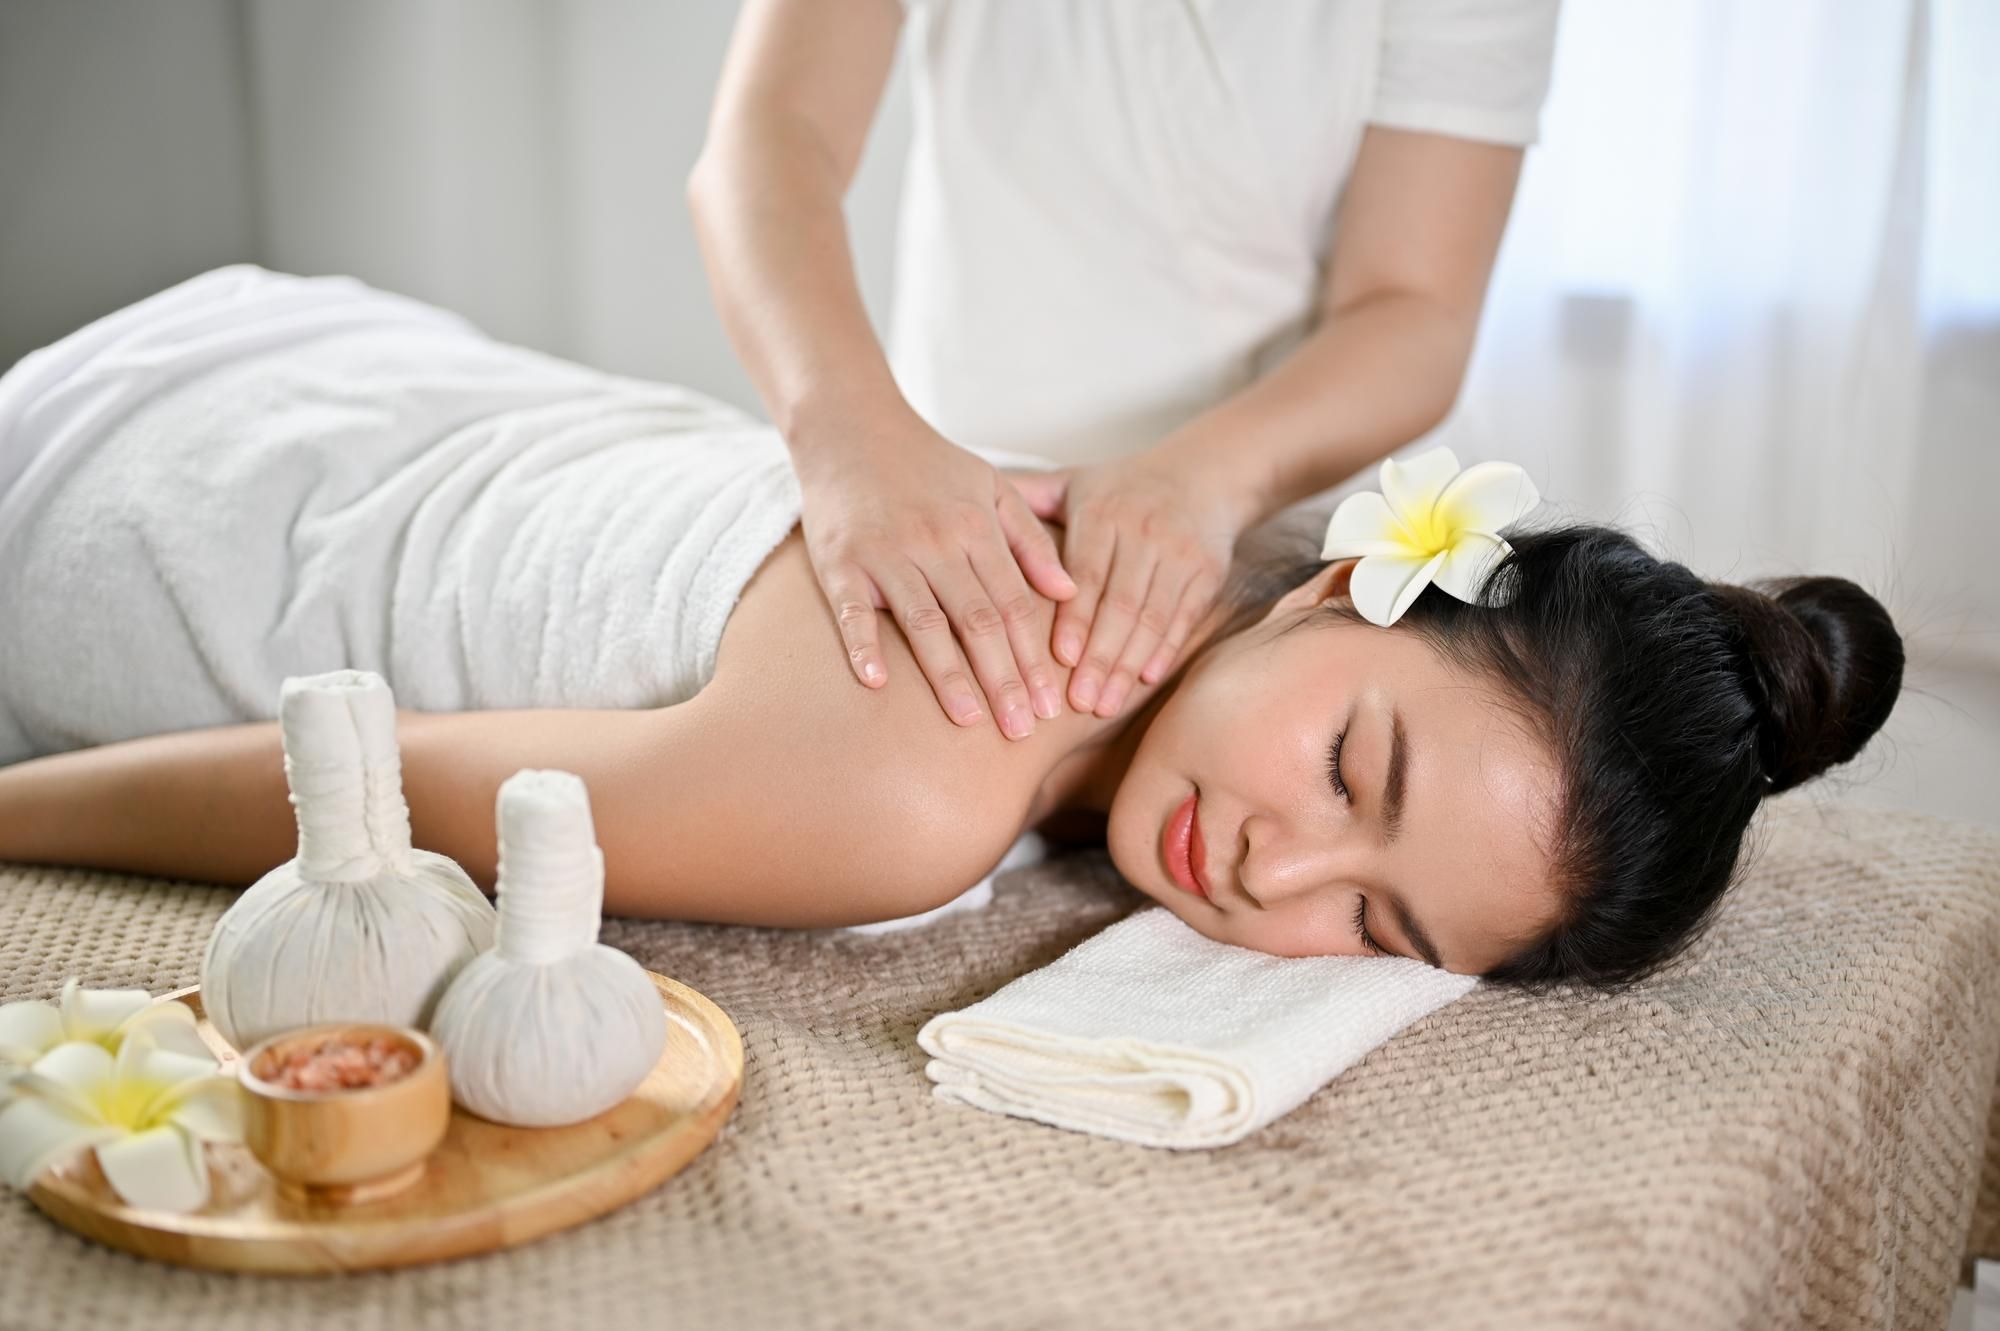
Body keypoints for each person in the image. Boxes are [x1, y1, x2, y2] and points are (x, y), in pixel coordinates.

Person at [0, 268, 1904, 991]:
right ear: (1346, 581)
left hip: (326, 353)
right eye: (1351, 768)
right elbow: (350, 797)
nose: (1278, 869)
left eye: (1376, 925)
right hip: (129, 517)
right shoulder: (905, 800)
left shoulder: (1155, 541)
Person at [688, 0, 1563, 744]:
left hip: (1268, 540)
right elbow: (770, 136)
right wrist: (849, 434)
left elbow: (1414, 305)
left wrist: (1201, 483)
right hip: (948, 496)